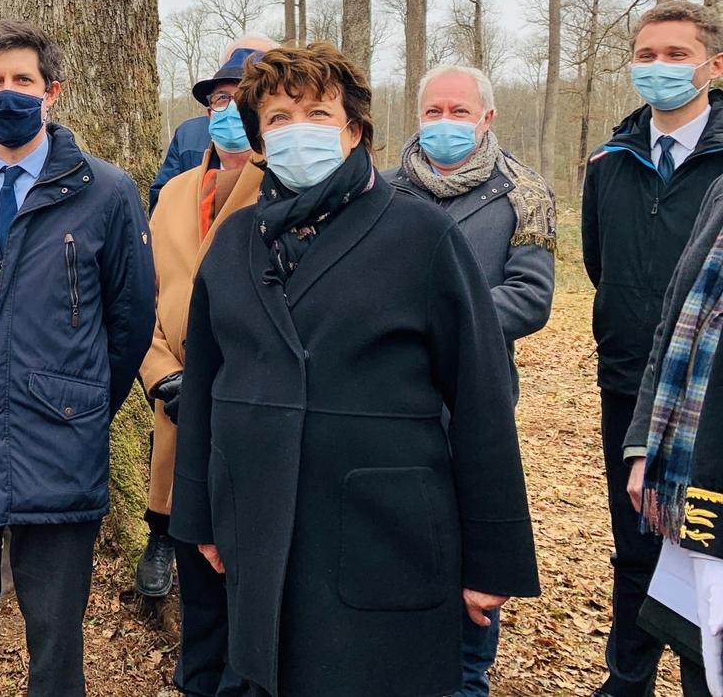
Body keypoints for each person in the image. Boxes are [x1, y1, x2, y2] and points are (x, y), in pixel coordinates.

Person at [171, 42, 539, 697]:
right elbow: (202, 385)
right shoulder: (233, 242)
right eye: (279, 119)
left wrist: (493, 556)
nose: (297, 131)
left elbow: (480, 399)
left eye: (316, 114)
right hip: (257, 519)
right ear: (258, 136)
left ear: (354, 130)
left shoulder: (421, 236)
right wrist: (200, 513)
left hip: (382, 530)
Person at [0, 20, 156, 697]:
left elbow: (130, 321)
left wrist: (74, 402)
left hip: (58, 443)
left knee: (55, 642)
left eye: (23, 80)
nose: (8, 93)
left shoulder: (106, 192)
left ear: (53, 91)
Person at [390, 64, 557, 697]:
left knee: (473, 543)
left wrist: (443, 316)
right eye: (434, 112)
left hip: (474, 400)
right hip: (390, 398)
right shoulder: (384, 188)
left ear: (486, 118)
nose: (445, 123)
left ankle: (468, 672)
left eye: (459, 112)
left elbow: (531, 297)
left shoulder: (524, 194)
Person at [582, 1, 723, 697]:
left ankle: (706, 673)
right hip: (628, 383)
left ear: (713, 65)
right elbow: (597, 264)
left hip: (711, 397)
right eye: (647, 55)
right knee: (634, 541)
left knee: (706, 543)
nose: (660, 68)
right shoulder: (608, 163)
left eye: (676, 54)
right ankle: (626, 676)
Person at [137, 50, 264, 697]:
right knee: (195, 572)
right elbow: (144, 297)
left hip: (252, 410)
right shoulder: (177, 193)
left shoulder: (286, 190)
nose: (229, 111)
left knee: (246, 574)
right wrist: (160, 372)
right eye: (218, 101)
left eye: (244, 99)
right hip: (179, 405)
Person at [616, 174, 723, 697]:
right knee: (701, 649)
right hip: (696, 479)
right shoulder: (721, 192)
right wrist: (646, 450)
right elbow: (675, 322)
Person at [149, 35, 275, 211]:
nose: (233, 107)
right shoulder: (188, 135)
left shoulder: (286, 153)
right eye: (223, 97)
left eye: (244, 95)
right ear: (209, 110)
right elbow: (161, 206)